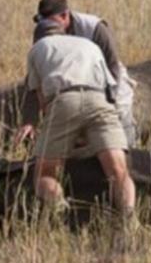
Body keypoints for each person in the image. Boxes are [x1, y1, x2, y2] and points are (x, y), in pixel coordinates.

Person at [15, 18, 136, 221]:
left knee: (45, 173)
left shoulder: (38, 48)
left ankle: (63, 216)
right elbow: (111, 88)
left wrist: (47, 129)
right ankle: (129, 220)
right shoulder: (89, 45)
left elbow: (42, 100)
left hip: (64, 99)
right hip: (100, 101)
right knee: (119, 171)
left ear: (38, 38)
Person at [34, 0, 137, 146]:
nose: (48, 27)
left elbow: (112, 65)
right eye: (44, 22)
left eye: (52, 22)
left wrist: (110, 100)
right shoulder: (43, 31)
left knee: (119, 133)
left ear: (64, 15)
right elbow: (37, 74)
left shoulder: (94, 28)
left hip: (107, 82)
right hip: (73, 84)